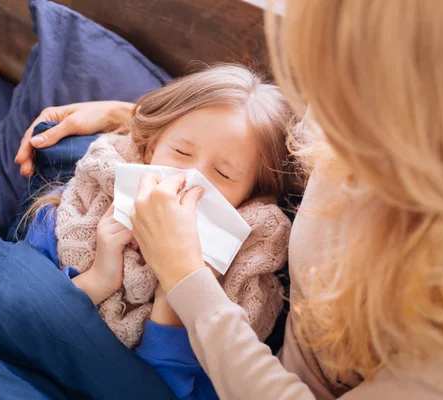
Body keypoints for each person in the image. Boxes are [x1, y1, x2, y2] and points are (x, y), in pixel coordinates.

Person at [16, 1, 443, 398]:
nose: (335, 103)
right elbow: (250, 138)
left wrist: (184, 281)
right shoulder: (344, 111)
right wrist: (130, 117)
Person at [21, 65, 295, 400]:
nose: (188, 180)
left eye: (222, 174)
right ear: (151, 148)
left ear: (249, 199)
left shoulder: (244, 293)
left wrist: (172, 305)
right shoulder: (75, 214)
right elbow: (17, 321)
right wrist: (98, 279)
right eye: (180, 152)